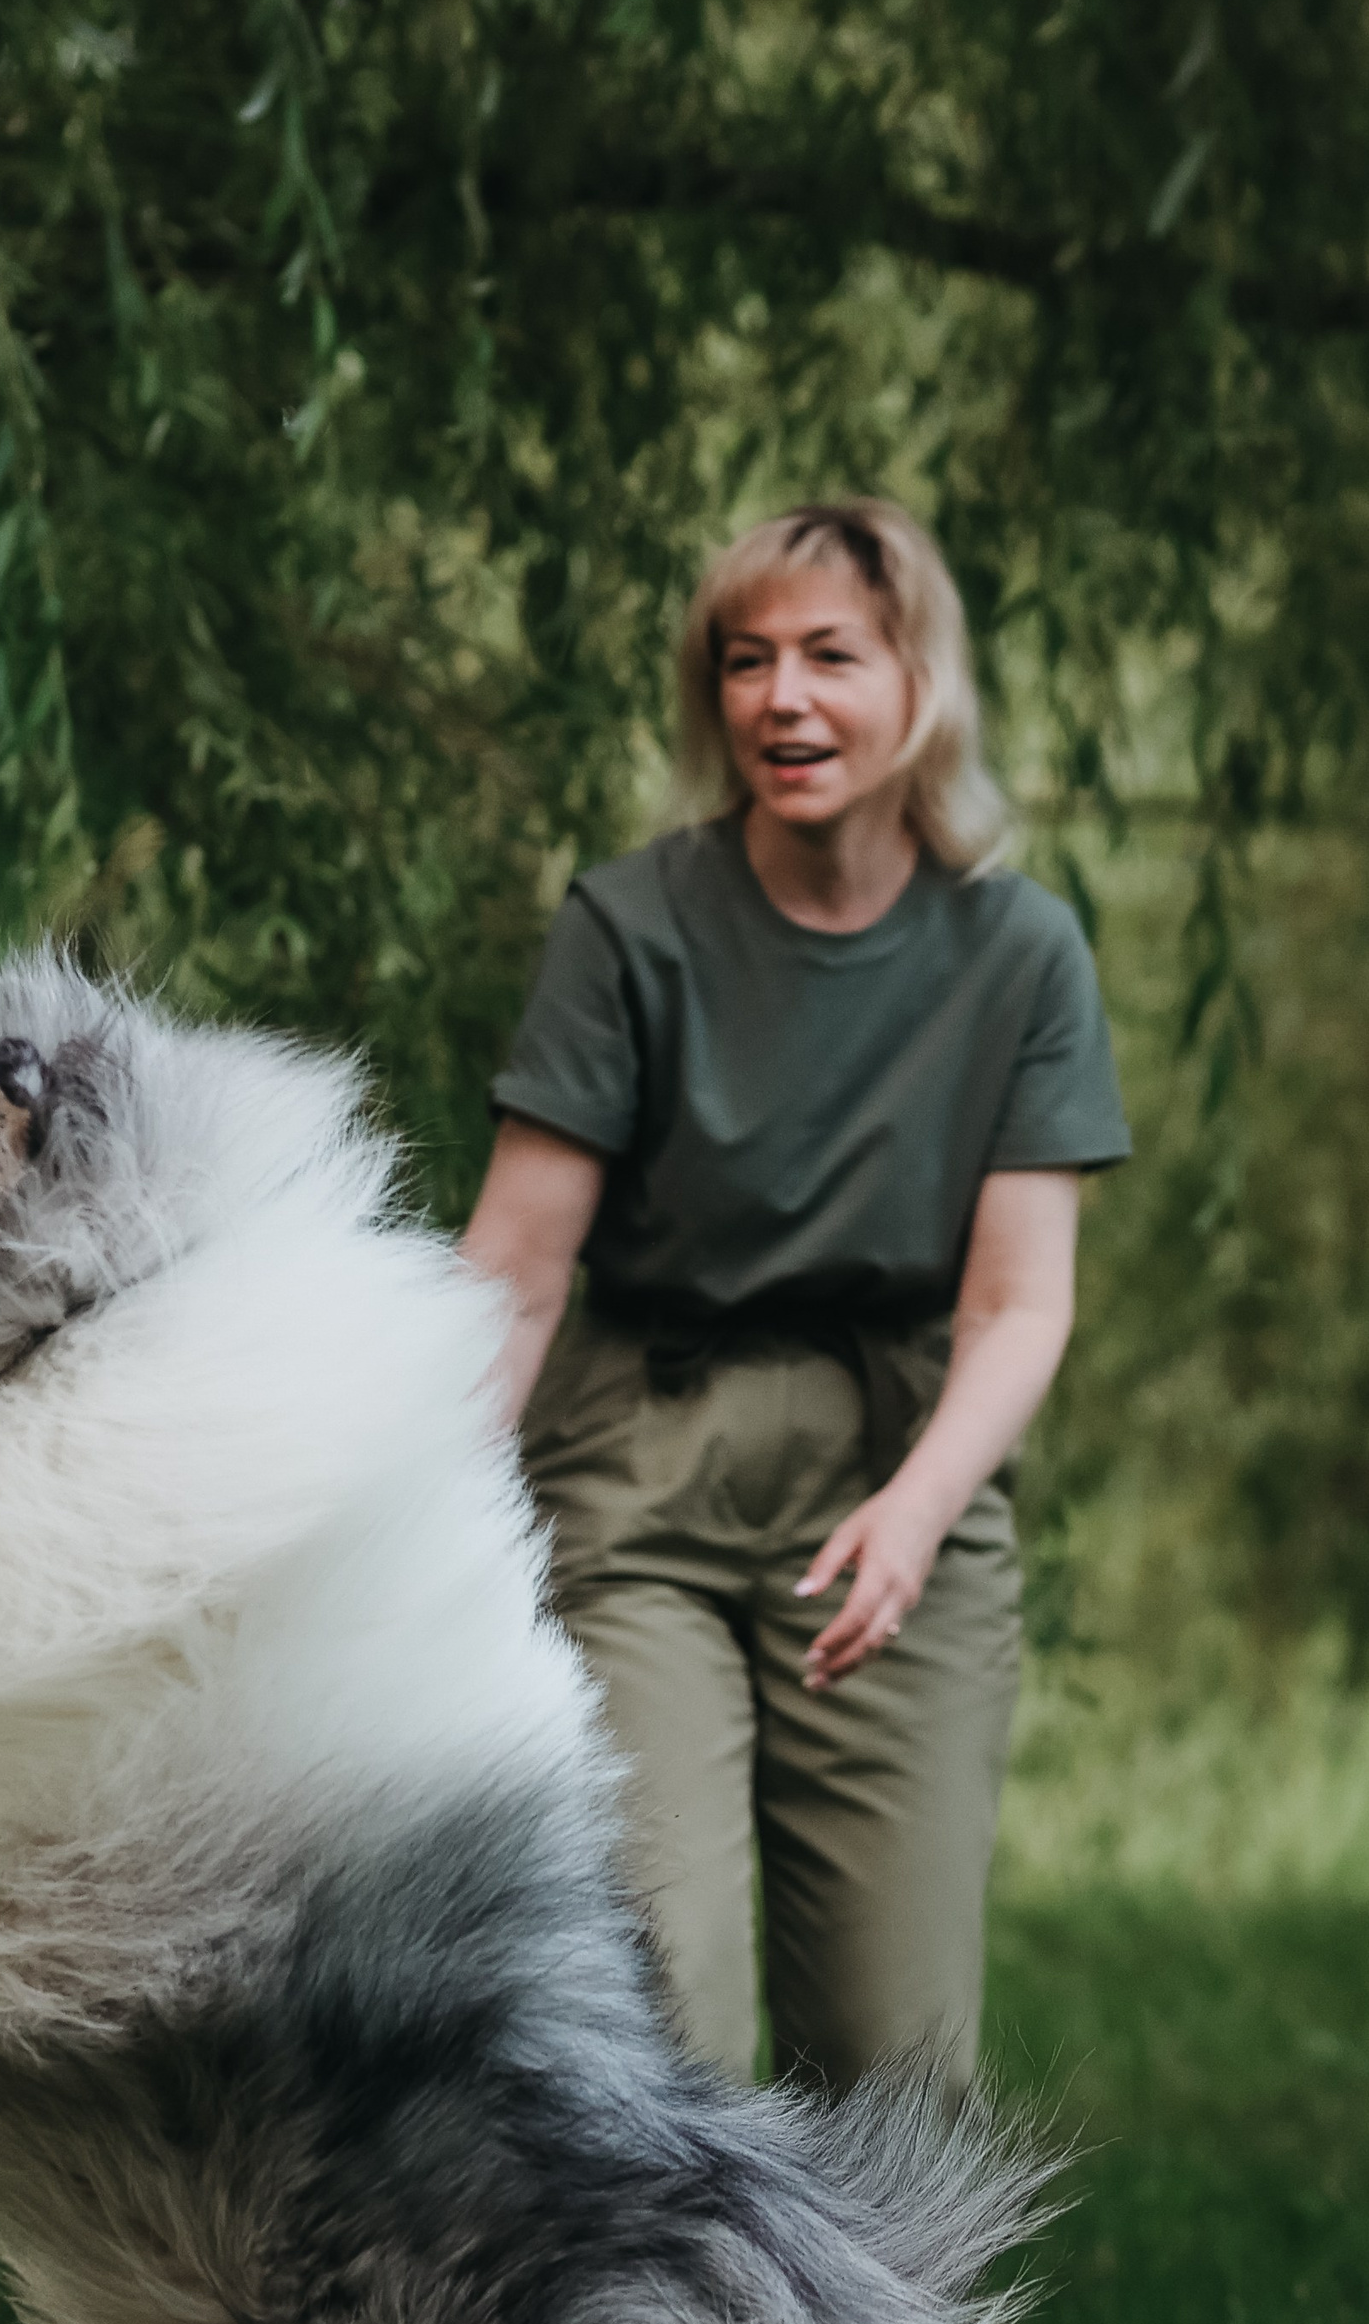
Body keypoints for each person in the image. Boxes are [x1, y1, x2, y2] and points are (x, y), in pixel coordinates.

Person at [459, 497, 1129, 2094]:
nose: (784, 698)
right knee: (651, 2004)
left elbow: (1019, 1305)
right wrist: (419, 1519)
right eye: (745, 660)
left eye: (831, 655)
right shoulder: (629, 926)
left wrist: (916, 1513)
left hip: (901, 1476)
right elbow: (516, 1267)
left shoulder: (1024, 954)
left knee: (898, 2051)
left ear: (920, 684)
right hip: (638, 1472)